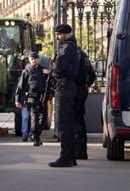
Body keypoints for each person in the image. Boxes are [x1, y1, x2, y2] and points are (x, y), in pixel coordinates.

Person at [48, 24, 80, 167]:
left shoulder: (67, 47)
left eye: (59, 34)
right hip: (68, 86)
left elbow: (58, 67)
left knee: (64, 123)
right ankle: (71, 157)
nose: (57, 37)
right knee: (68, 123)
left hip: (64, 86)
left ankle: (65, 157)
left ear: (67, 34)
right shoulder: (72, 46)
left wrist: (50, 68)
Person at [15, 51, 47, 146]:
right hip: (32, 97)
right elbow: (20, 86)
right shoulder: (26, 71)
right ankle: (35, 137)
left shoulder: (42, 70)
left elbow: (48, 83)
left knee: (43, 119)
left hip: (42, 97)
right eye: (31, 59)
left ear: (37, 59)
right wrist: (17, 100)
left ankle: (36, 135)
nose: (33, 61)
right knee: (34, 117)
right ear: (29, 60)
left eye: (35, 59)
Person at [74, 49, 96, 160]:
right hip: (82, 89)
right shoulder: (84, 56)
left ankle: (76, 151)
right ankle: (82, 151)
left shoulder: (72, 54)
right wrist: (87, 84)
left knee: (73, 121)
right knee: (80, 120)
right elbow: (92, 74)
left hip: (74, 89)